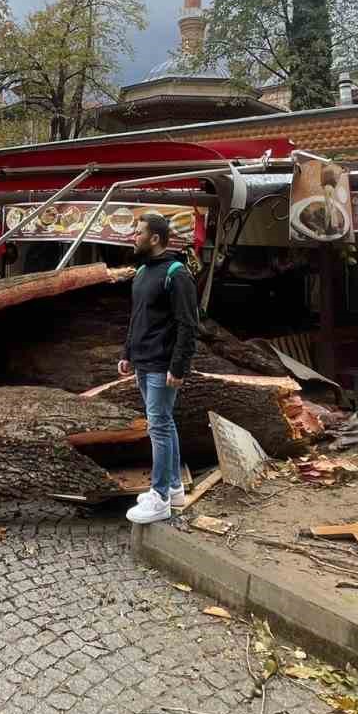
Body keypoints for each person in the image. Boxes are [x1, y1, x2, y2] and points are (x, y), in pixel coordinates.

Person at [118, 212, 199, 524]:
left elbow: (188, 325)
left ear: (154, 238)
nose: (133, 237)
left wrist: (178, 367)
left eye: (138, 232)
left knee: (159, 427)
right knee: (164, 422)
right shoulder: (142, 273)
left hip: (162, 365)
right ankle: (175, 488)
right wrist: (127, 353)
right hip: (142, 362)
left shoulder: (176, 274)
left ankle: (160, 497)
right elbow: (137, 317)